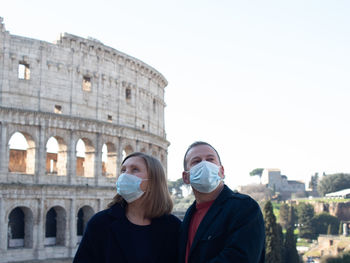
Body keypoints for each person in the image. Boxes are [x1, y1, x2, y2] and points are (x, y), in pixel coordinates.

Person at [74, 152, 181, 263]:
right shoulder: (100, 223)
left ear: (153, 181)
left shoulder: (173, 227)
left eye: (135, 169)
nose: (125, 175)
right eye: (123, 170)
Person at [179, 141, 265, 263]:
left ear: (222, 171)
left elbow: (240, 258)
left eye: (210, 160)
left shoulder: (245, 207)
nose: (204, 165)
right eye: (196, 161)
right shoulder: (189, 215)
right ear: (186, 177)